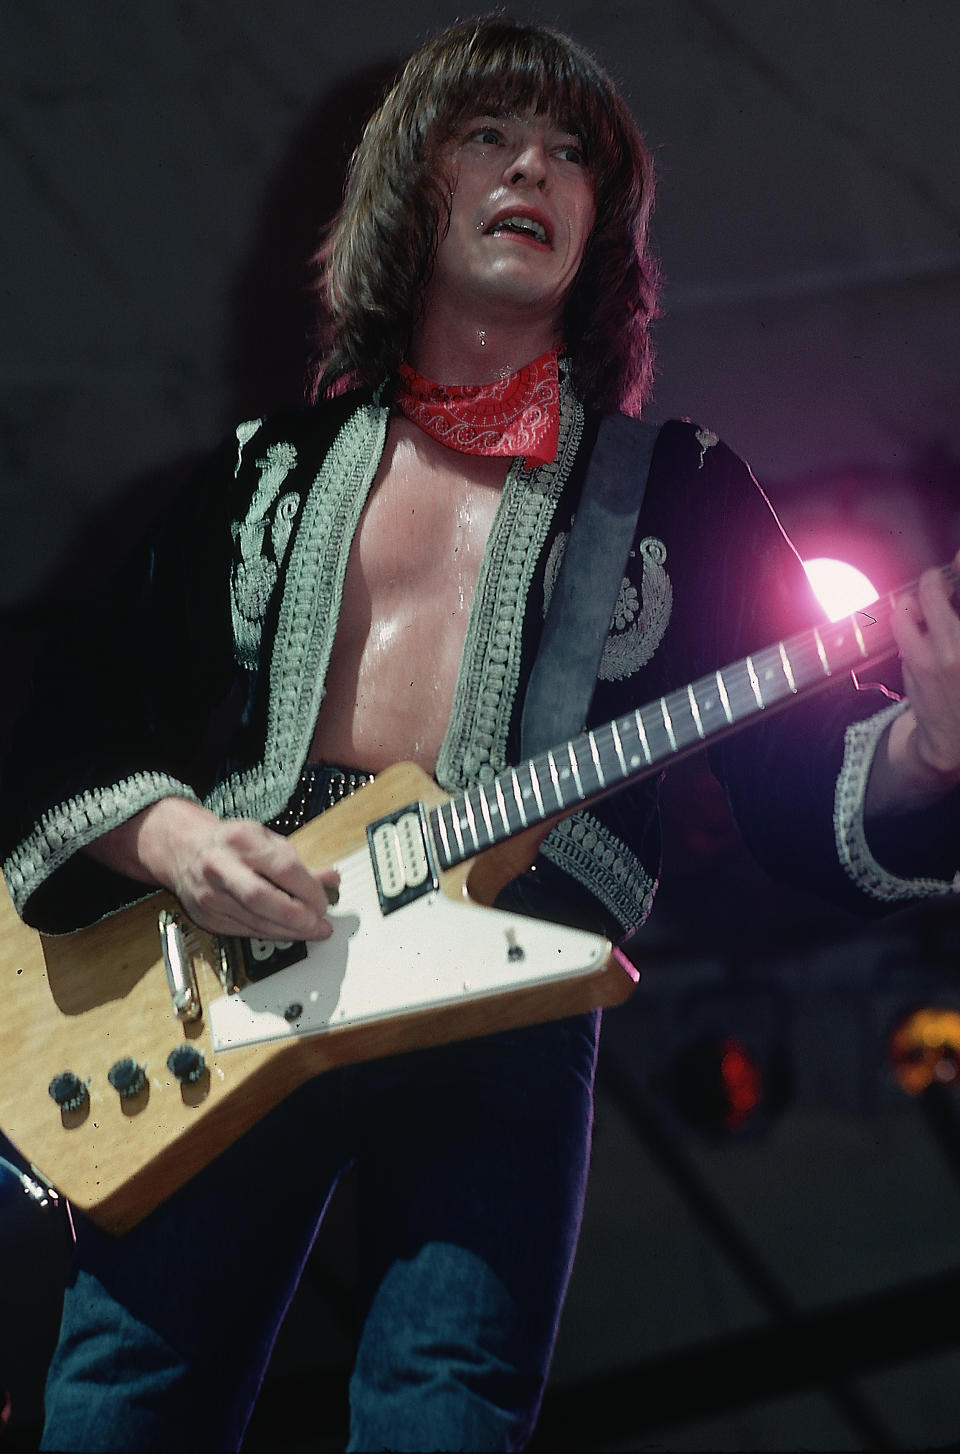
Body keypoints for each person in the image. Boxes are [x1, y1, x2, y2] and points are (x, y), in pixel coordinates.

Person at [1, 16, 959, 1453]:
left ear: (606, 224)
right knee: (125, 1405)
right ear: (414, 186)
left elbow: (797, 779)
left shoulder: (678, 489)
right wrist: (177, 834)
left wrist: (934, 750)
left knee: (446, 1417)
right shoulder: (270, 468)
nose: (538, 169)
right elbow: (71, 711)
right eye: (492, 135)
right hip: (222, 981)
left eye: (576, 152)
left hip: (507, 1001)